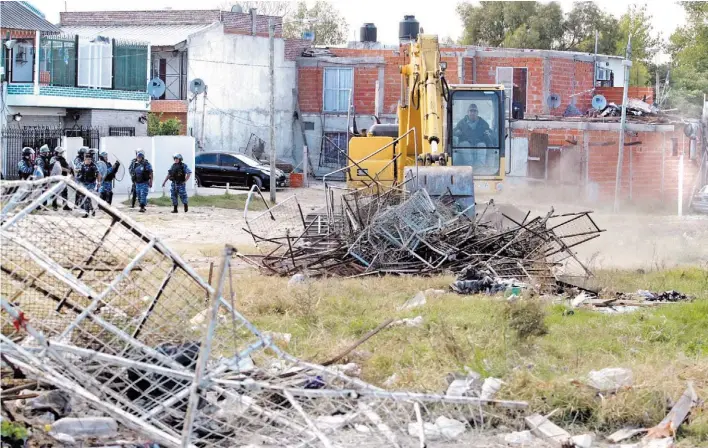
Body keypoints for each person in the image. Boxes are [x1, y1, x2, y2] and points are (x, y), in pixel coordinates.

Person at [77, 151, 101, 218]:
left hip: (91, 184)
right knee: (86, 198)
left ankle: (86, 213)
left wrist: (99, 183)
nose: (89, 160)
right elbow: (77, 172)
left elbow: (98, 174)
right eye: (88, 159)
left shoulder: (93, 166)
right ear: (85, 159)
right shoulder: (81, 165)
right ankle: (91, 209)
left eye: (90, 159)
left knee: (87, 198)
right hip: (83, 184)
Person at [50, 146, 72, 210]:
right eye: (61, 152)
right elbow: (58, 167)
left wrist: (70, 168)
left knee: (65, 192)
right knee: (55, 192)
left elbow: (67, 165)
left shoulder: (62, 158)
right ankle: (54, 206)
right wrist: (66, 170)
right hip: (57, 178)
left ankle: (65, 205)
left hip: (63, 177)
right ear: (57, 152)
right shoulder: (53, 159)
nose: (62, 153)